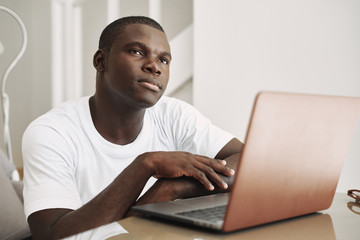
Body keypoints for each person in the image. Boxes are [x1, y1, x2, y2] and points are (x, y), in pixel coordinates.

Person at [22, 16, 243, 239]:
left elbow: (249, 160)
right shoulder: (51, 132)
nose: (154, 66)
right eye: (137, 52)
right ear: (101, 61)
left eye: (164, 60)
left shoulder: (174, 114)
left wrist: (172, 188)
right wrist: (145, 164)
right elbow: (50, 235)